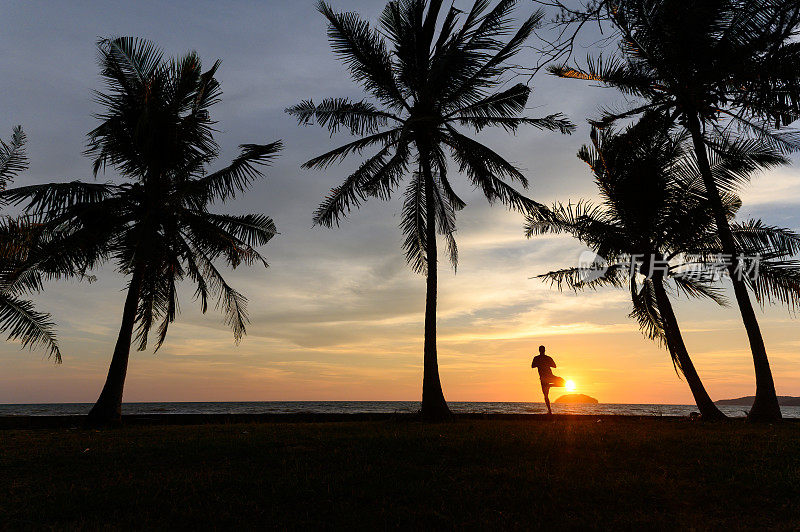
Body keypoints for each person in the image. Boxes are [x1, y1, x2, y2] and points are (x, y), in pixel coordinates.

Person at [531, 345, 565, 414]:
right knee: (546, 395)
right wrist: (541, 363)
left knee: (563, 382)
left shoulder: (547, 358)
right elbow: (533, 366)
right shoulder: (537, 358)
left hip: (549, 377)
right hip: (544, 378)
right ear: (542, 350)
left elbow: (554, 366)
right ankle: (549, 411)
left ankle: (550, 386)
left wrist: (545, 363)